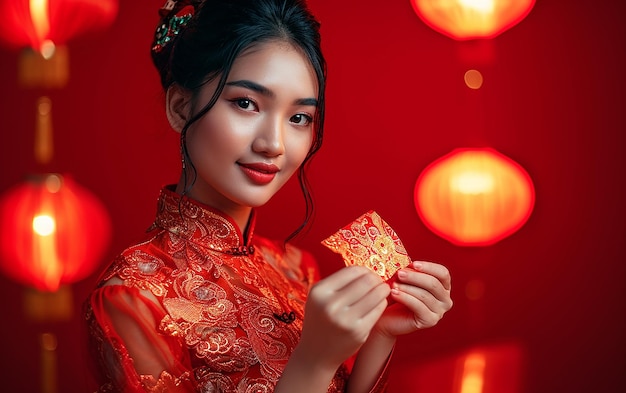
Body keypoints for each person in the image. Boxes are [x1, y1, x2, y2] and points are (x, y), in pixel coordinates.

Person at [84, 0, 453, 392]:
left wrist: (382, 332)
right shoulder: (132, 298)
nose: (274, 144)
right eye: (246, 103)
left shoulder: (296, 268)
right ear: (180, 107)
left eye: (299, 118)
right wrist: (315, 359)